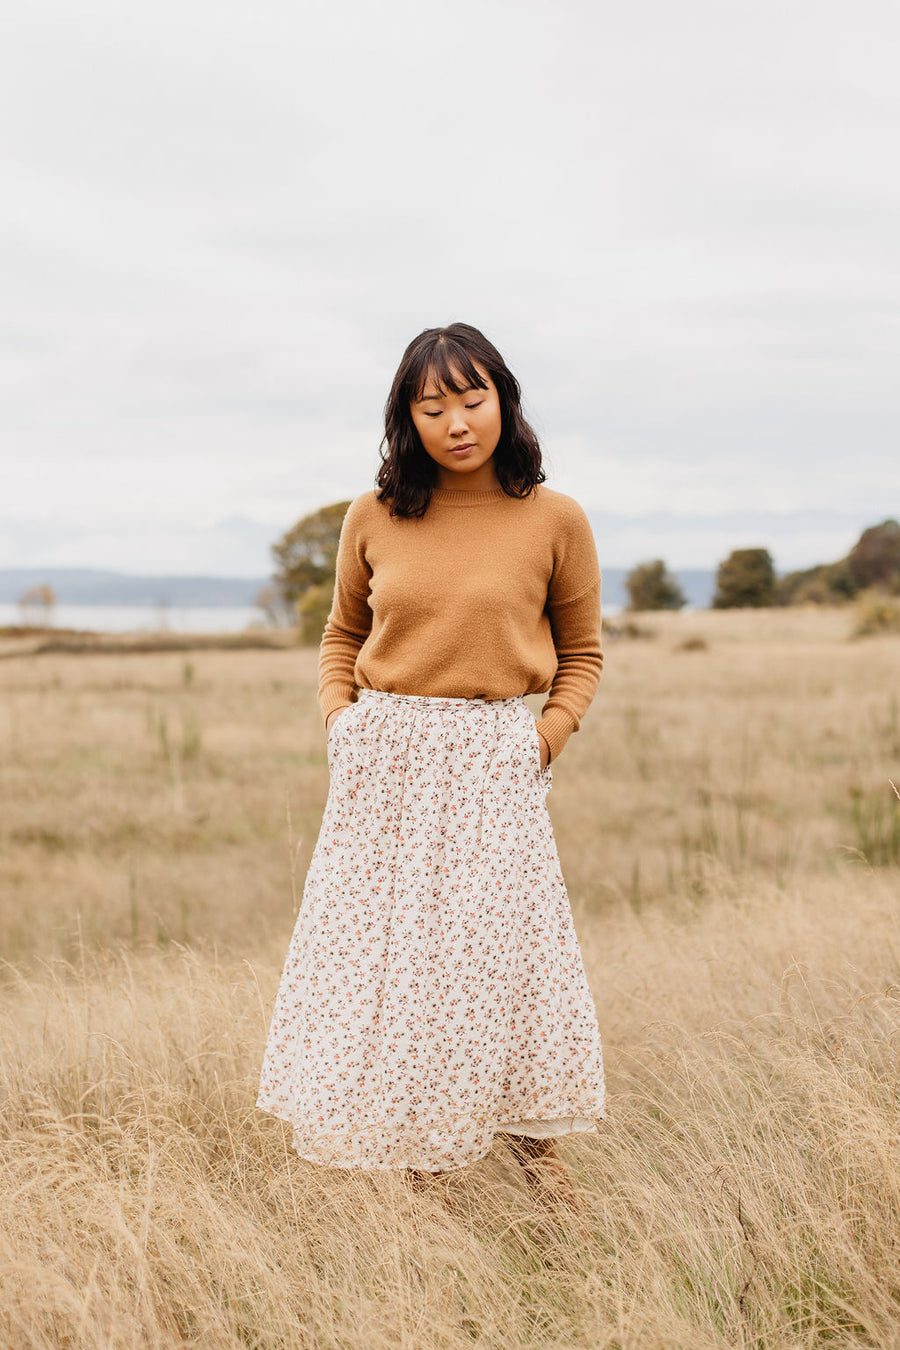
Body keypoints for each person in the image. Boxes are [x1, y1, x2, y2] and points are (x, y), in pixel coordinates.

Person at [257, 322, 606, 1205]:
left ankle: (538, 1166)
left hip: (494, 762)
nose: (457, 421)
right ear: (407, 419)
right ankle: (425, 1181)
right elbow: (342, 633)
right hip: (384, 762)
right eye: (433, 405)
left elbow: (584, 654)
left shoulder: (555, 518)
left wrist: (541, 739)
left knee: (500, 962)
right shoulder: (375, 514)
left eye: (473, 398)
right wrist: (343, 724)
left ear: (504, 400)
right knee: (391, 971)